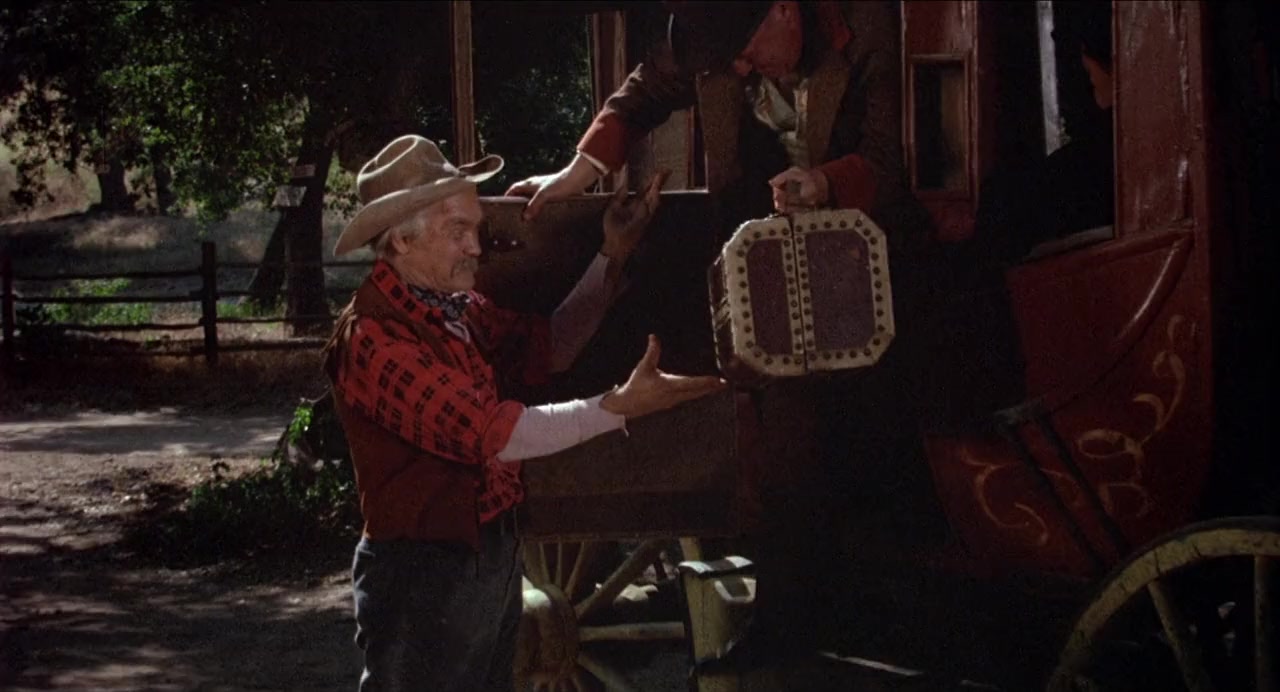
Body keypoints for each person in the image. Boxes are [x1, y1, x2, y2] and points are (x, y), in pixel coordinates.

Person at [508, 0, 944, 669]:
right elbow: (642, 91)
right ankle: (783, 602)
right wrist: (578, 173)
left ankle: (831, 604)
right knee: (757, 402)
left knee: (825, 422)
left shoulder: (867, 34)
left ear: (784, 10)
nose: (738, 70)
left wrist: (823, 183)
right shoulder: (715, 42)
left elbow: (888, 159)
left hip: (868, 260)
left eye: (747, 51)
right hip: (756, 261)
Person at [322, 134, 724, 691]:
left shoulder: (455, 308)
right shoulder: (374, 338)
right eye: (457, 231)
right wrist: (618, 407)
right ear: (402, 240)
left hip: (489, 553)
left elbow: (550, 345)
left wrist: (613, 252)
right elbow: (494, 433)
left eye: (476, 228)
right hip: (422, 572)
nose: (476, 247)